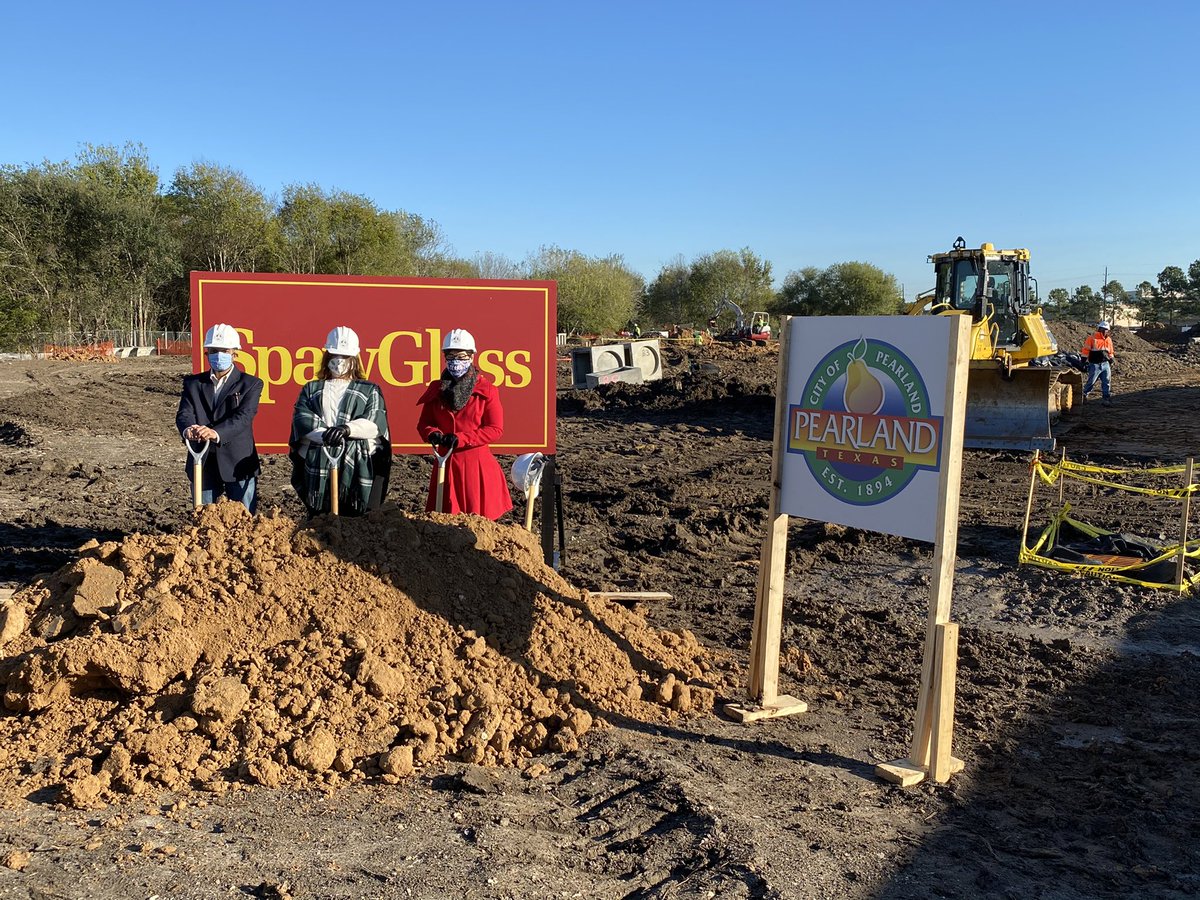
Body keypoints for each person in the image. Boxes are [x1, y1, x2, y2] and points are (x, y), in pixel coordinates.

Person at [290, 326, 391, 516]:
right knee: (321, 519)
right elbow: (302, 419)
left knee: (358, 521)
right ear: (327, 356)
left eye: (345, 356)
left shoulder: (370, 389)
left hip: (359, 463)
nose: (339, 361)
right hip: (319, 463)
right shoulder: (311, 388)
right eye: (335, 354)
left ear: (354, 359)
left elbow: (374, 423)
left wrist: (346, 430)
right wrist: (326, 436)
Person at [416, 328, 513, 520]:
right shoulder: (436, 389)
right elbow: (424, 423)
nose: (455, 362)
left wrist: (461, 439)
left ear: (471, 357)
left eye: (461, 357)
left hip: (475, 468)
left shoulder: (487, 390)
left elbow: (495, 429)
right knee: (441, 521)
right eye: (450, 357)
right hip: (445, 464)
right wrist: (432, 433)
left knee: (475, 522)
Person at [175, 323, 263, 512]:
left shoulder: (250, 384)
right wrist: (188, 428)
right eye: (213, 351)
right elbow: (185, 413)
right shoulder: (193, 383)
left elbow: (244, 416)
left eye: (224, 350)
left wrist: (215, 433)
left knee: (244, 520)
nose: (218, 355)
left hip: (238, 462)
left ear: (235, 354)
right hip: (203, 461)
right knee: (204, 518)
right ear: (206, 353)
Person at [1081, 320, 1116, 404]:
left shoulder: (1108, 340)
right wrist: (1083, 360)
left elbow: (1110, 351)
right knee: (1091, 382)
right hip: (1094, 364)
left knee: (1106, 382)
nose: (1105, 331)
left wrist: (1111, 358)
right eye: (1104, 329)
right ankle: (1084, 395)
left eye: (1107, 330)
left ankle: (1106, 398)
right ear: (1100, 329)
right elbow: (1086, 350)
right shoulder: (1092, 338)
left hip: (1105, 364)